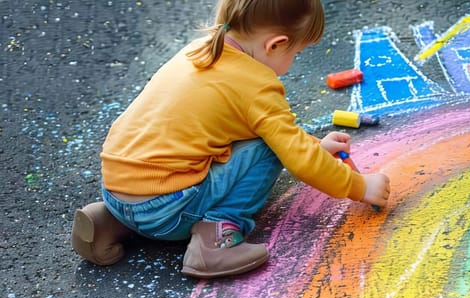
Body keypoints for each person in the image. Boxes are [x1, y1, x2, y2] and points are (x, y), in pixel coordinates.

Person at [70, 0, 390, 279]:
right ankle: (216, 237)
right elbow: (294, 155)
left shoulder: (201, 49)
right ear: (275, 44)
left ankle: (108, 222)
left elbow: (245, 129)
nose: (295, 59)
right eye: (298, 51)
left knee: (203, 148)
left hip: (116, 189)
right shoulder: (257, 86)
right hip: (165, 210)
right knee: (269, 149)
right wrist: (360, 187)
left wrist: (314, 147)